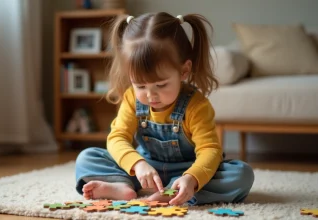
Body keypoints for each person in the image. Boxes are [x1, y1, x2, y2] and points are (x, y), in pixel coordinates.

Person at [75, 12, 254, 206]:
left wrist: (192, 179)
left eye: (161, 85)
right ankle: (122, 185)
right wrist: (137, 164)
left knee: (242, 174)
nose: (151, 96)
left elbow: (210, 150)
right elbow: (117, 137)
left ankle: (177, 192)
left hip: (188, 171)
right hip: (146, 170)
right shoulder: (131, 98)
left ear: (183, 71)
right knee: (87, 157)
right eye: (141, 86)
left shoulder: (197, 106)